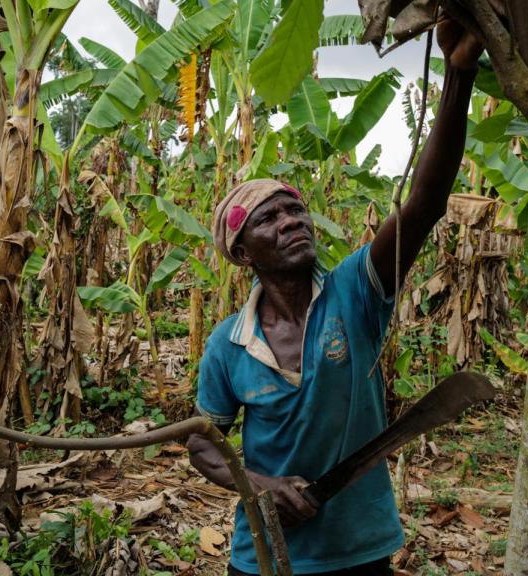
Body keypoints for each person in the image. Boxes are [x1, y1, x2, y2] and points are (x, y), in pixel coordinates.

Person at [186, 16, 484, 576]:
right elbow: (204, 445)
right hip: (267, 556)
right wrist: (262, 485)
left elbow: (423, 205)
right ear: (243, 253)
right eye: (268, 218)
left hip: (361, 551)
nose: (291, 221)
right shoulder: (228, 346)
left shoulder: (355, 292)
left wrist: (459, 73)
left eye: (295, 210)